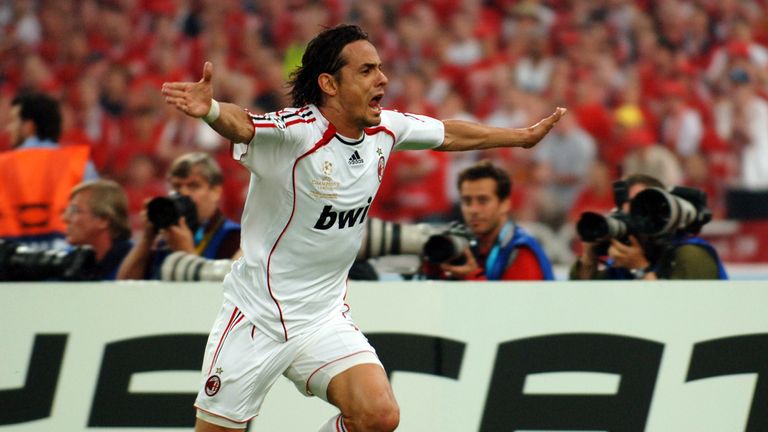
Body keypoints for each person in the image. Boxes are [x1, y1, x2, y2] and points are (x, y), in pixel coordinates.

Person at [161, 24, 565, 432]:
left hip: (322, 316)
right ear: (329, 84)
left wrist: (519, 137)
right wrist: (211, 110)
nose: (383, 79)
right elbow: (245, 123)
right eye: (367, 70)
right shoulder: (297, 133)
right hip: (257, 317)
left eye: (380, 68)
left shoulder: (385, 129)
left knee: (378, 415)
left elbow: (448, 133)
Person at [570, 173, 727, 281]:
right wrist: (589, 257)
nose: (628, 213)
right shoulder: (623, 259)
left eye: (639, 204)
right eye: (623, 207)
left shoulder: (691, 254)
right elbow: (582, 304)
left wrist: (639, 268)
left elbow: (681, 314)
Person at [423, 160, 554, 281]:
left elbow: (516, 305)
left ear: (505, 204)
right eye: (467, 201)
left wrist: (472, 276)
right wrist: (433, 265)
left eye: (483, 200)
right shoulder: (466, 247)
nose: (473, 209)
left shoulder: (520, 251)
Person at [117, 152, 240, 280]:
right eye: (176, 186)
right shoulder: (167, 235)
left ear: (215, 191)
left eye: (193, 186)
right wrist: (147, 239)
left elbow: (220, 293)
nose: (183, 192)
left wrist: (186, 252)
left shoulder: (234, 238)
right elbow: (124, 285)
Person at [0, 93, 98, 249]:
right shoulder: (81, 165)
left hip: (9, 266)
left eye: (13, 121)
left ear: (29, 127)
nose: (8, 128)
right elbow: (97, 222)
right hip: (67, 265)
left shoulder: (2, 167)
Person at [63, 179, 133, 280]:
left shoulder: (137, 264)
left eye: (75, 210)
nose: (65, 218)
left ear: (103, 220)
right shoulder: (70, 260)